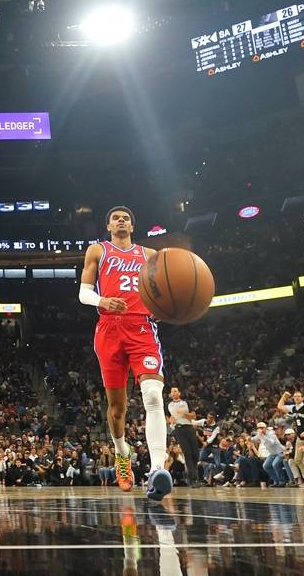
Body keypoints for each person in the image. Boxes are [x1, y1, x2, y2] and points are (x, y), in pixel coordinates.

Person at [78, 206, 172, 501]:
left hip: (141, 328)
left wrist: (164, 307)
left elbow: (164, 291)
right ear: (108, 226)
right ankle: (122, 453)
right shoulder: (98, 250)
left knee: (153, 395)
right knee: (117, 408)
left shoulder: (149, 255)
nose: (121, 221)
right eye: (116, 218)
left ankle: (157, 469)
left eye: (126, 218)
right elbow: (83, 293)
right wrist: (103, 300)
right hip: (109, 328)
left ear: (132, 226)